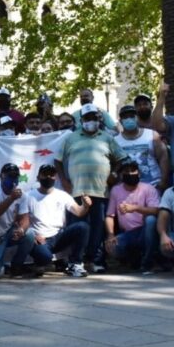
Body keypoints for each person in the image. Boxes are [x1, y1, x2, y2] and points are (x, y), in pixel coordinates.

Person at [58, 103, 129, 273]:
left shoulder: (107, 138)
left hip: (101, 191)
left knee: (98, 229)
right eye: (88, 118)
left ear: (99, 119)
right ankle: (76, 261)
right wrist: (65, 182)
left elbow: (121, 158)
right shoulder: (70, 138)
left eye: (95, 118)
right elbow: (57, 161)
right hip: (77, 192)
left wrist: (114, 173)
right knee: (78, 228)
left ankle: (94, 261)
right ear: (81, 120)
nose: (91, 121)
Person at [26, 165, 91, 277]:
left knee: (83, 226)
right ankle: (39, 262)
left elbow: (79, 212)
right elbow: (21, 220)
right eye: (45, 174)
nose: (48, 177)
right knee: (45, 257)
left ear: (55, 177)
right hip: (40, 239)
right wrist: (33, 235)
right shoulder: (28, 196)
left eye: (51, 174)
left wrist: (86, 206)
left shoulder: (62, 195)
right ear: (38, 177)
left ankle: (75, 264)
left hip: (58, 237)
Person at [104, 162, 161, 274]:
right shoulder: (116, 190)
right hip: (127, 233)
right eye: (126, 171)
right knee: (113, 248)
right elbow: (110, 215)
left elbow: (156, 210)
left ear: (139, 173)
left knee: (151, 220)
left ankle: (147, 263)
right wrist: (110, 235)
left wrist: (135, 208)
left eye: (133, 171)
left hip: (145, 232)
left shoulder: (148, 188)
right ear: (121, 175)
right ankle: (133, 259)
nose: (130, 173)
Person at [0, 164, 36, 278]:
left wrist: (22, 229)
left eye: (15, 177)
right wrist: (11, 198)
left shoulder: (22, 195)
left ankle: (16, 267)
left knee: (29, 234)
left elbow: (25, 218)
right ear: (1, 176)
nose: (12, 180)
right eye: (9, 176)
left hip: (7, 232)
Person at [114, 104, 170, 190]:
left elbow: (163, 157)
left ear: (137, 118)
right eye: (125, 117)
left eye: (132, 116)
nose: (129, 119)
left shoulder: (152, 135)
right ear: (120, 121)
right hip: (127, 189)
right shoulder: (115, 141)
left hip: (153, 186)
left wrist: (164, 180)